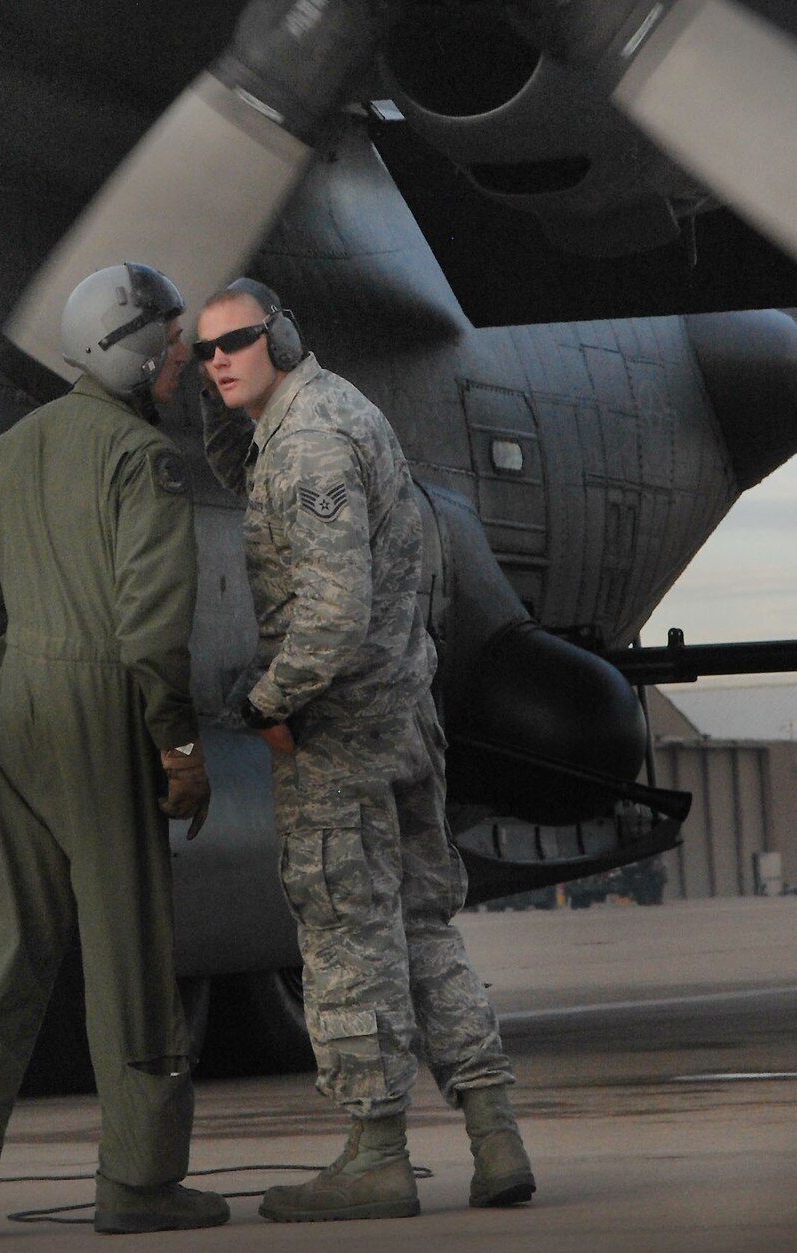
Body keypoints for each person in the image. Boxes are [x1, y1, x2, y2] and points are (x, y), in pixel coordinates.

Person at [196, 278, 535, 1222]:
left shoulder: (306, 442)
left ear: (285, 337)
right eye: (206, 347)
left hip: (339, 735)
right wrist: (214, 400)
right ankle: (494, 1132)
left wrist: (268, 698)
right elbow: (244, 473)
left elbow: (335, 611)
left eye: (237, 342)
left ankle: (376, 1152)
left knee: (348, 938)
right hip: (404, 722)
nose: (219, 358)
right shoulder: (332, 413)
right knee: (426, 927)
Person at [0, 263, 228, 1241]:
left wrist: (34, 667)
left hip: (20, 704)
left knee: (1, 952)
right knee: (130, 951)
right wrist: (175, 741)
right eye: (171, 339)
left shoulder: (13, 446)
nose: (182, 355)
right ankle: (137, 1181)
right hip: (102, 706)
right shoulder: (143, 459)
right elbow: (149, 628)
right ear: (133, 349)